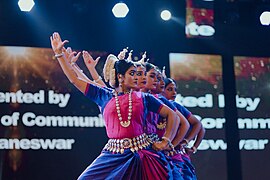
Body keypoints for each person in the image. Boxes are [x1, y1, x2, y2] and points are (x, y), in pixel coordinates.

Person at [50, 32, 179, 179]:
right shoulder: (104, 95)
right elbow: (74, 79)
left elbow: (172, 115)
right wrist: (59, 55)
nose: (136, 77)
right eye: (132, 73)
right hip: (113, 154)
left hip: (142, 154)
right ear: (120, 77)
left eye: (137, 74)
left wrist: (166, 141)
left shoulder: (145, 98)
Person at [162, 77, 206, 180]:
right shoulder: (157, 103)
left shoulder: (174, 106)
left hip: (173, 157)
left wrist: (183, 143)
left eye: (175, 89)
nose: (174, 93)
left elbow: (199, 126)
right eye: (170, 89)